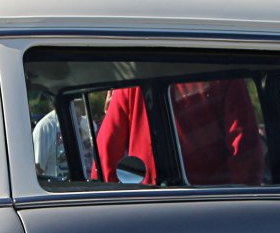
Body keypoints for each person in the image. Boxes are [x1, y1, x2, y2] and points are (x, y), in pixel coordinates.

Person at [95, 79, 264, 185]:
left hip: (146, 206)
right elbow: (245, 149)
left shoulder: (130, 82)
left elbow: (105, 157)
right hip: (211, 206)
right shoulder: (223, 74)